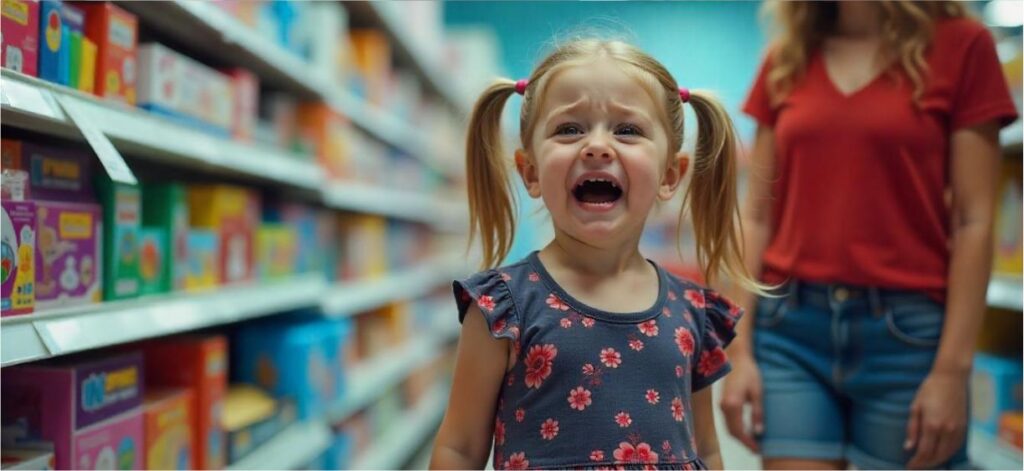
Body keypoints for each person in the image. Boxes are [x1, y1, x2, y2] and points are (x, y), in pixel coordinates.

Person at [429, 38, 762, 470]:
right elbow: (459, 448)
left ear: (670, 175)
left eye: (628, 130)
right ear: (529, 171)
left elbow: (706, 449)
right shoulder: (503, 308)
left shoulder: (693, 313)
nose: (597, 146)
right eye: (569, 129)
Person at [721, 1, 1019, 470]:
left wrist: (952, 371)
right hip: (789, 332)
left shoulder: (962, 45)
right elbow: (757, 214)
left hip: (908, 339)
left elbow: (974, 220)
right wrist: (740, 348)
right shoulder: (787, 58)